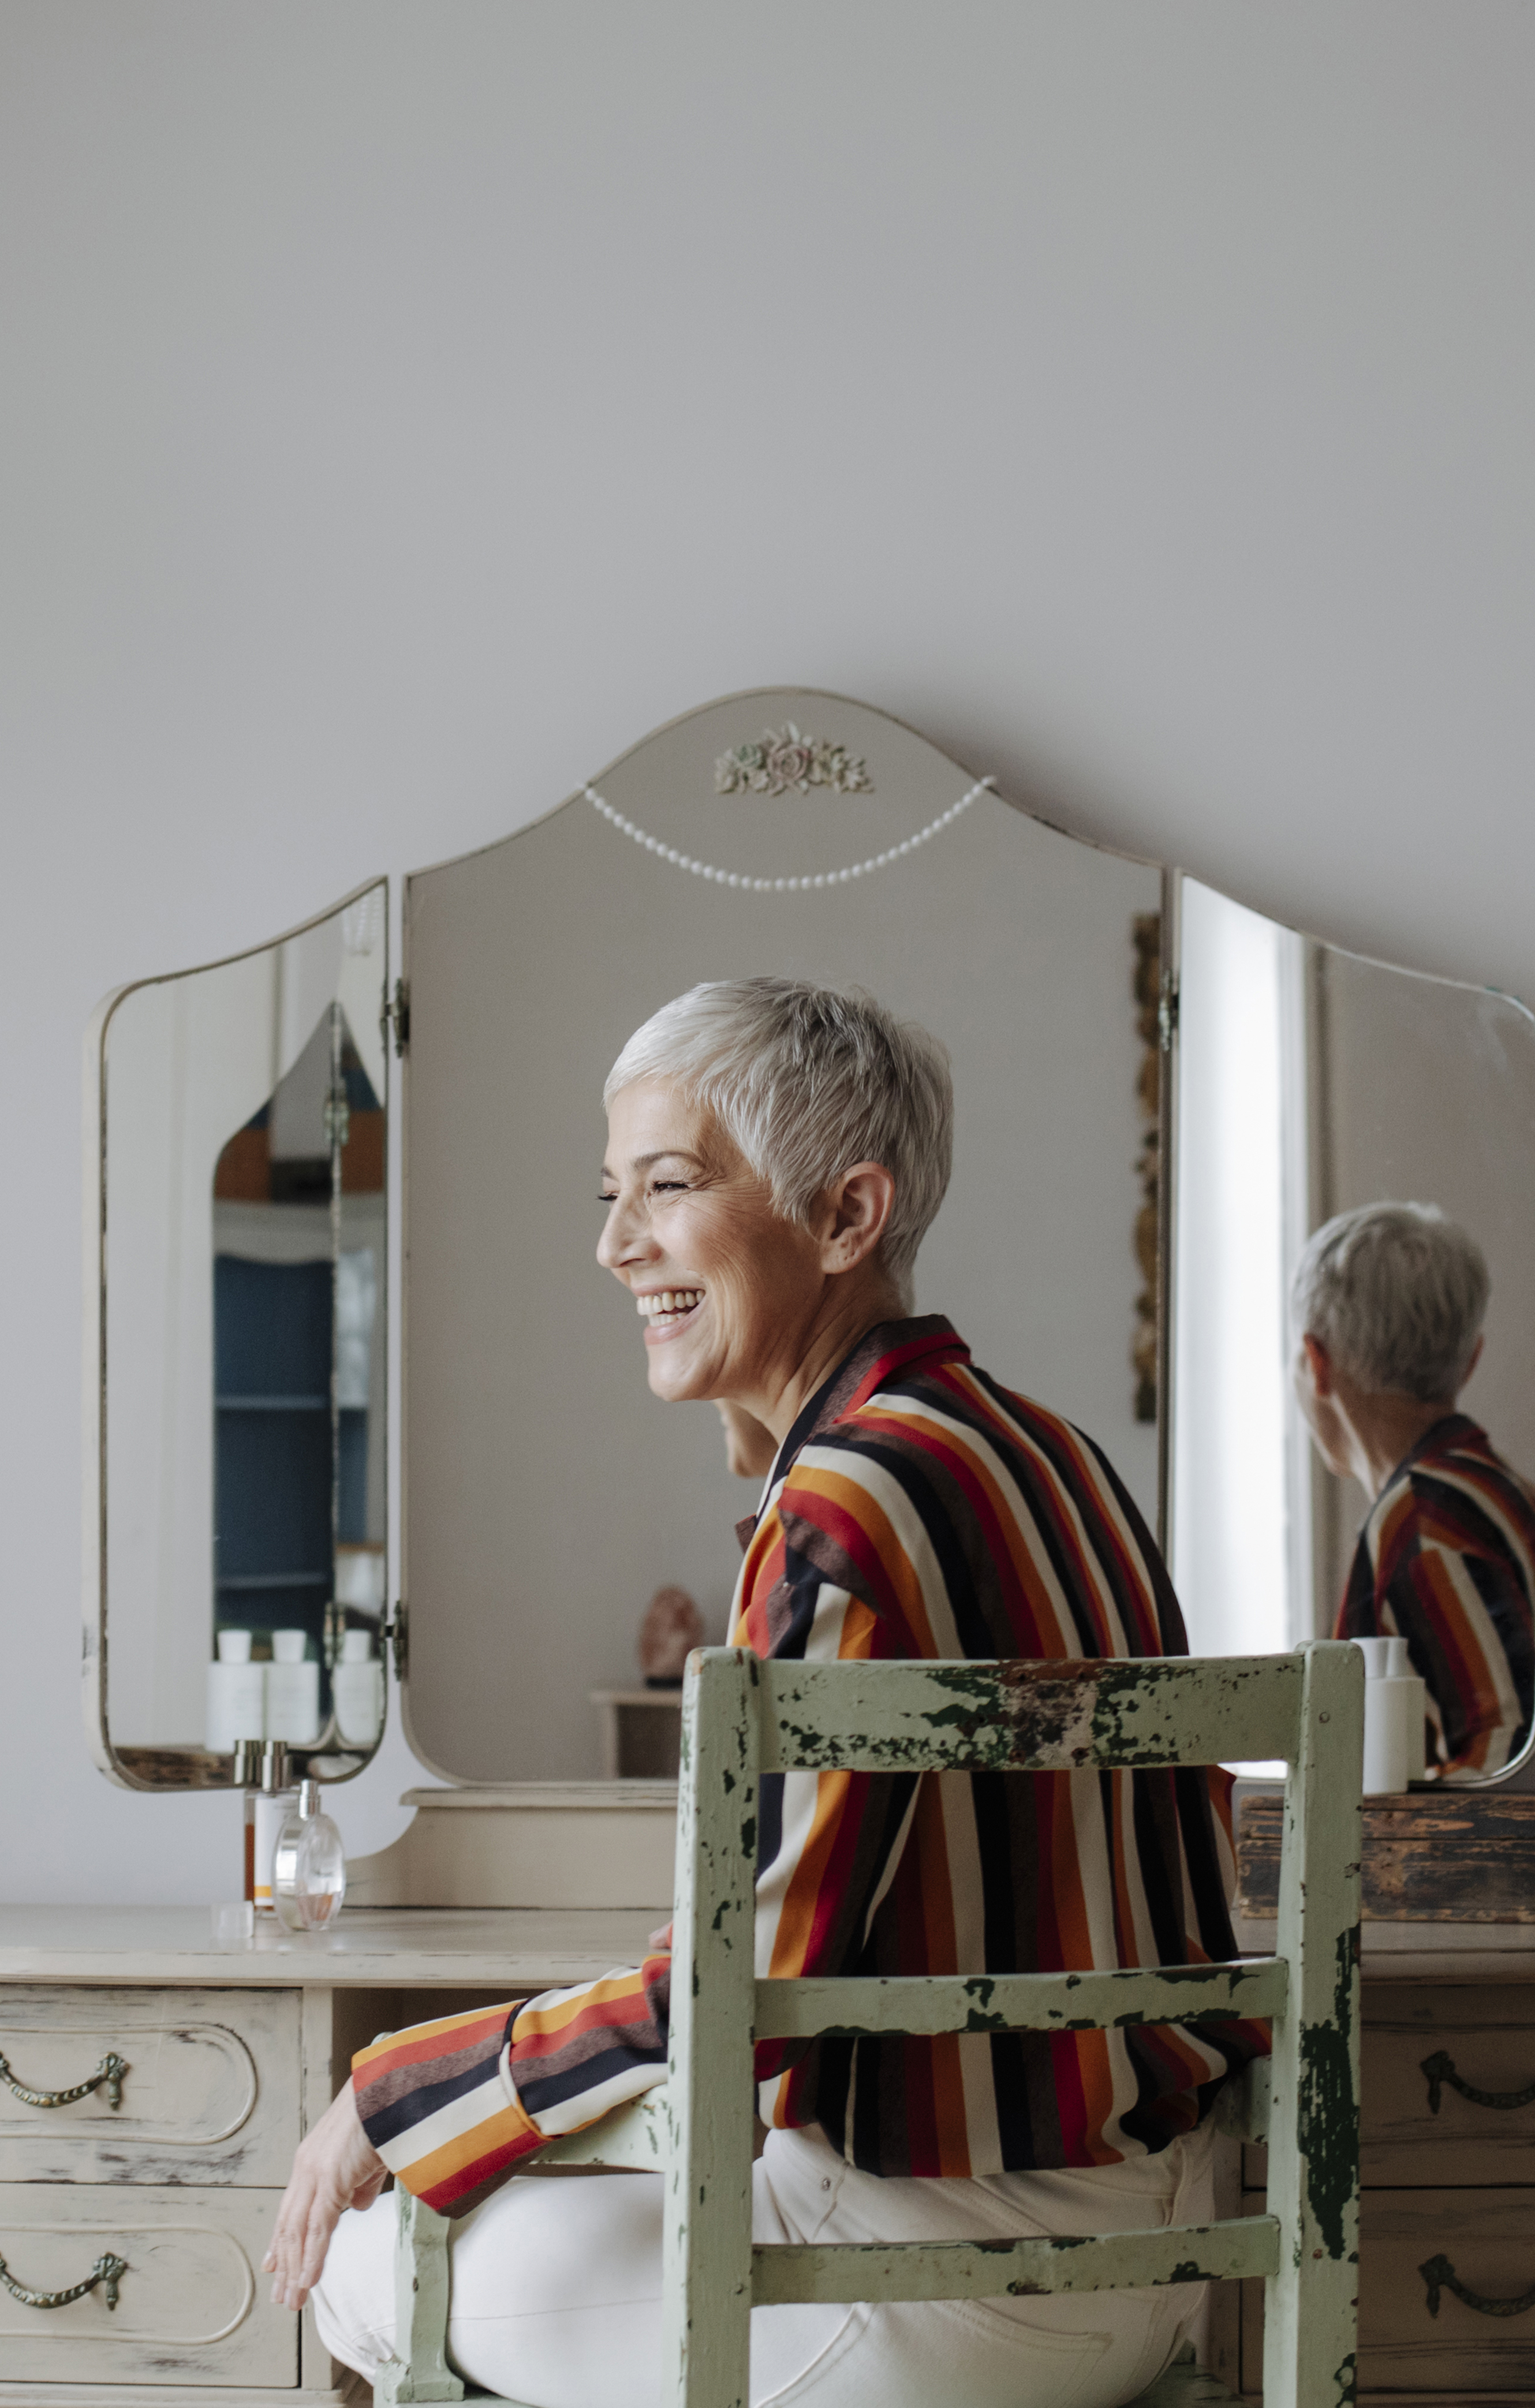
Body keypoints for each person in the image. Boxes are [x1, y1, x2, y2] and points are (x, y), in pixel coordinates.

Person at [269, 977, 1252, 2408]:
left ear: (848, 1219)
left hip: (952, 2283)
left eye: (667, 1187)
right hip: (1176, 2250)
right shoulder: (1061, 1460)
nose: (615, 1246)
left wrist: (393, 2092)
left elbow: (739, 2001)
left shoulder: (845, 1509)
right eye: (612, 1195)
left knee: (368, 2245)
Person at [1290, 1201, 1535, 1782]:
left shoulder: (1424, 1520)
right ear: (1471, 1360)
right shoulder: (1504, 1492)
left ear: (1316, 1362)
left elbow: (1501, 1768)